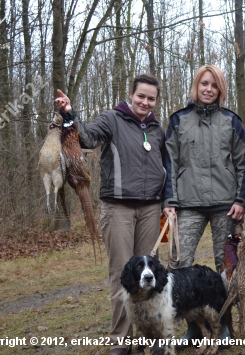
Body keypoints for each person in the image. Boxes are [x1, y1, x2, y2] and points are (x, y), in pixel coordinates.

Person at [55, 74, 166, 355]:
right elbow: (87, 138)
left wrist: (169, 202)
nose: (145, 102)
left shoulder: (157, 129)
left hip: (152, 208)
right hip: (117, 208)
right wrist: (70, 114)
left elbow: (166, 166)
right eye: (141, 95)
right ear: (131, 94)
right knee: (123, 274)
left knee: (149, 276)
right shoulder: (112, 118)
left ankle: (149, 338)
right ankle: (121, 341)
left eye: (151, 98)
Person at [162, 64, 245, 343]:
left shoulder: (231, 121)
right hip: (186, 204)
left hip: (226, 204)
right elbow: (169, 164)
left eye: (214, 85)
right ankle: (194, 328)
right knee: (178, 265)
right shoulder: (178, 120)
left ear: (220, 90)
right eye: (204, 84)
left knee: (225, 270)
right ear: (196, 87)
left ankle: (222, 327)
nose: (208, 89)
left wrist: (240, 199)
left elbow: (243, 165)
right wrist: (170, 199)